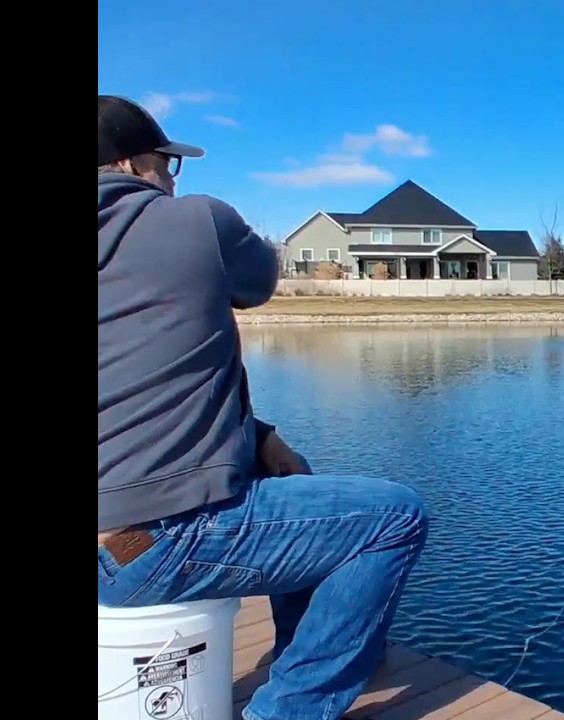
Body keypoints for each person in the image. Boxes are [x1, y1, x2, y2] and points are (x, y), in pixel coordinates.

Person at [97, 94, 429, 720]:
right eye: (166, 165)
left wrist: (260, 434)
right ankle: (292, 707)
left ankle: (300, 649)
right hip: (153, 544)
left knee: (288, 469)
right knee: (394, 516)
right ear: (132, 163)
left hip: (112, 533)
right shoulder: (198, 220)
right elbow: (258, 284)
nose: (171, 178)